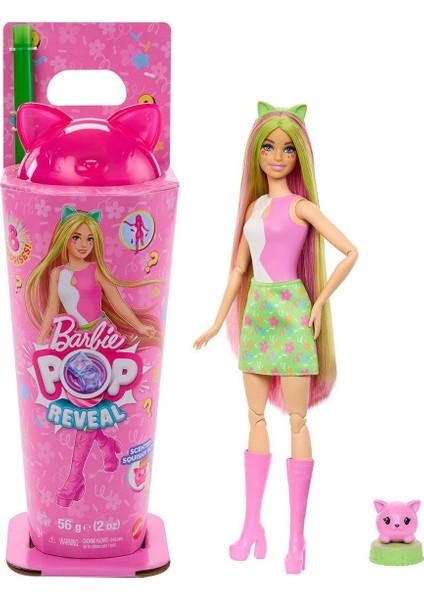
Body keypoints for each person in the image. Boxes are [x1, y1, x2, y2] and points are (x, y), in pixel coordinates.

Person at [194, 102, 358, 574]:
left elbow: (350, 251)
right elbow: (238, 269)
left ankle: (296, 540)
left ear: (299, 156)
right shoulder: (254, 206)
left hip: (291, 313)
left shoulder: (302, 207)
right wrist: (217, 321)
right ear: (256, 153)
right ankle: (252, 526)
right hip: (257, 314)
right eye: (268, 147)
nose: (277, 156)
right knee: (254, 418)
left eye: (287, 149)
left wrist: (319, 301)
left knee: (298, 423)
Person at [26, 205, 161, 506]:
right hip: (70, 345)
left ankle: (74, 479)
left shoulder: (95, 270)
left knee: (86, 410)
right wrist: (40, 340)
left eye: (89, 239)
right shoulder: (57, 274)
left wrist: (139, 326)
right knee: (85, 411)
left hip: (99, 343)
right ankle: (106, 443)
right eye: (77, 237)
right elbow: (52, 309)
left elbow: (117, 301)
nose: (84, 244)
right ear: (65, 238)